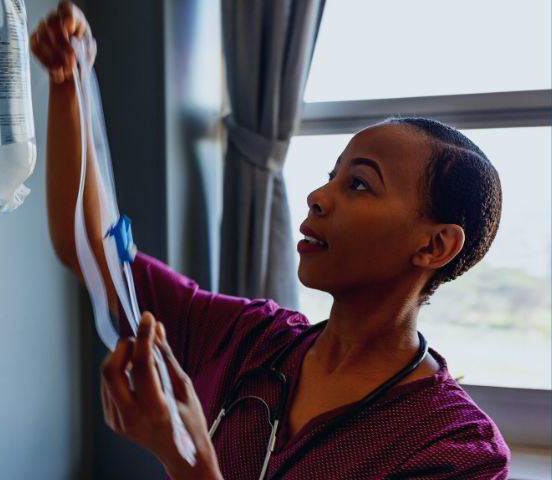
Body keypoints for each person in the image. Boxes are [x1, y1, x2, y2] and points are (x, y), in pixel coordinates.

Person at [31, 3, 510, 479]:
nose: (318, 197)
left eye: (359, 184)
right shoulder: (249, 339)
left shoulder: (457, 450)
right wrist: (68, 85)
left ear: (435, 247)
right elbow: (93, 251)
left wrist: (189, 462)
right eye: (331, 176)